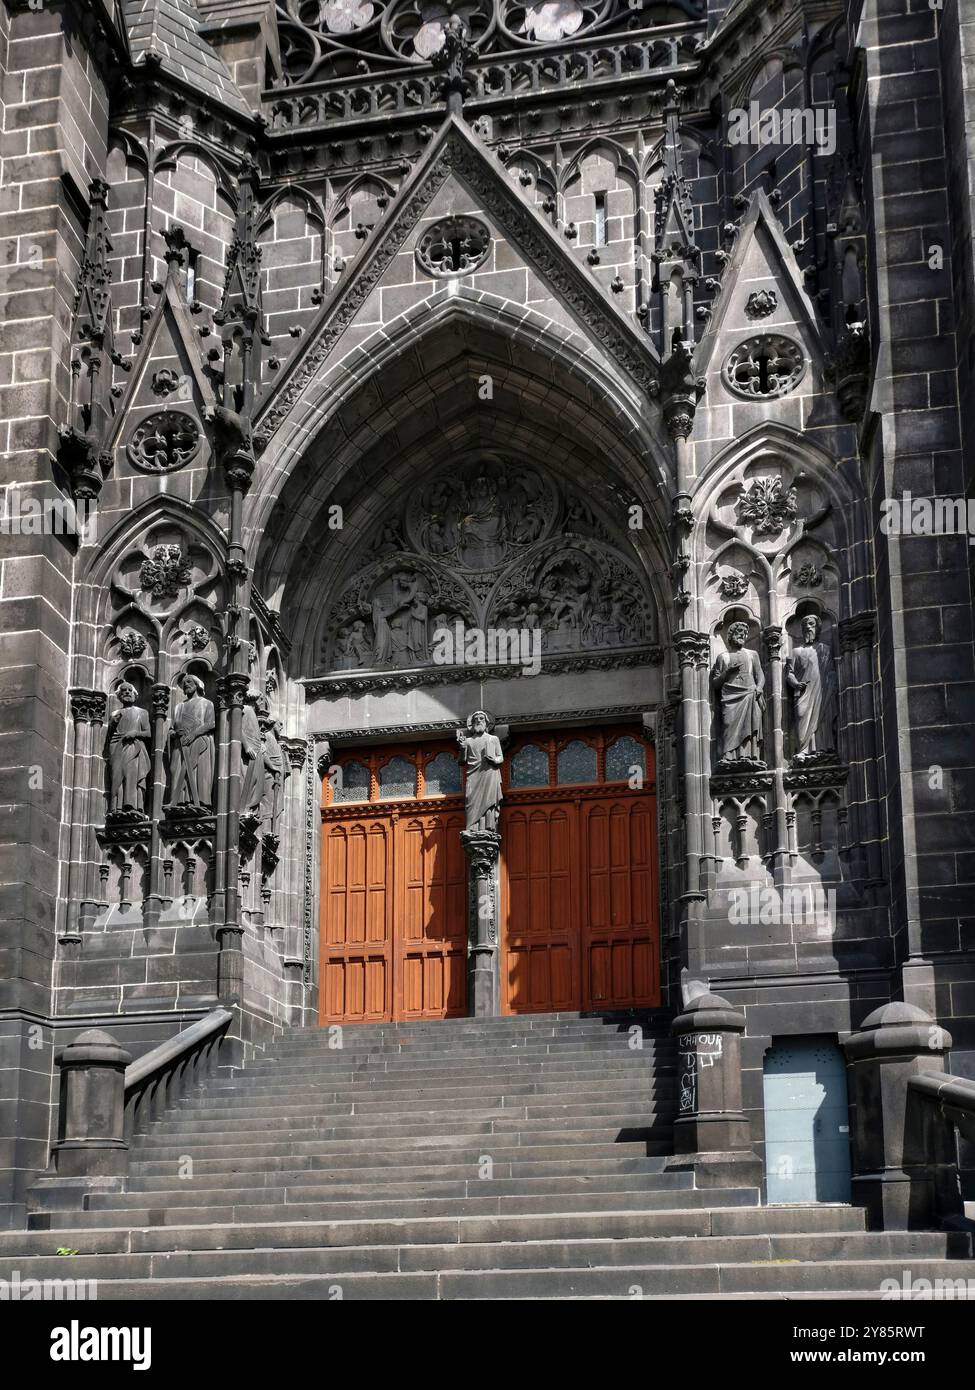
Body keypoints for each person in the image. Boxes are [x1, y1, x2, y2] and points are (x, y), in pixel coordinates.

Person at [710, 622, 766, 763]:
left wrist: (759, 687)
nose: (742, 634)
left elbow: (760, 675)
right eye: (739, 631)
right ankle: (729, 756)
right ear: (730, 635)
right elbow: (715, 683)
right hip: (730, 697)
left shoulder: (752, 655)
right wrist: (727, 673)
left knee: (750, 724)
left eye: (744, 632)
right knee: (729, 724)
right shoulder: (723, 657)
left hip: (749, 695)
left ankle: (749, 754)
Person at [785, 613, 838, 758]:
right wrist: (796, 684)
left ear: (818, 628)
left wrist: (830, 689)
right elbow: (789, 673)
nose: (808, 627)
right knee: (802, 717)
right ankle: (803, 749)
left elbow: (831, 672)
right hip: (803, 692)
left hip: (821, 692)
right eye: (805, 625)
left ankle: (822, 748)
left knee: (822, 718)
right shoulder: (796, 652)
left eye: (811, 624)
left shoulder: (824, 649)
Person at [168, 673, 215, 808]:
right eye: (184, 683)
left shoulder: (206, 703)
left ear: (197, 684)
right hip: (180, 744)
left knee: (197, 771)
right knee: (175, 769)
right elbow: (171, 729)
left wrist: (193, 734)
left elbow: (210, 724)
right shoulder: (178, 707)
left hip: (199, 742)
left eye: (189, 682)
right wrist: (175, 733)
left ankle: (197, 802)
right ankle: (179, 801)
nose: (186, 684)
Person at [456, 709, 504, 833]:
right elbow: (462, 761)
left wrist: (494, 760)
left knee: (488, 800)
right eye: (476, 720)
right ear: (472, 723)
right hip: (473, 774)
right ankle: (473, 828)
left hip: (489, 773)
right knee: (470, 799)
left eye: (481, 719)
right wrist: (462, 748)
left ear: (486, 723)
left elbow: (500, 757)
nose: (478, 721)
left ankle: (488, 827)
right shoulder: (468, 741)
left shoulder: (493, 739)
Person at [107, 682, 150, 815]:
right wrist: (112, 724)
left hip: (134, 747)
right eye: (123, 690)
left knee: (132, 775)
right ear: (119, 696)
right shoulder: (115, 714)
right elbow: (109, 736)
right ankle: (116, 808)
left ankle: (133, 807)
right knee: (117, 777)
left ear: (135, 695)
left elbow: (148, 733)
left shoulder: (142, 712)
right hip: (117, 747)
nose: (127, 692)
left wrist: (135, 733)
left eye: (129, 690)